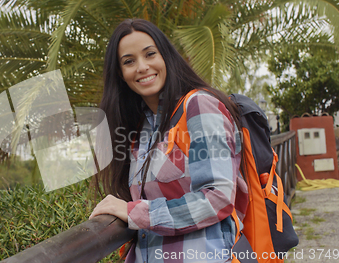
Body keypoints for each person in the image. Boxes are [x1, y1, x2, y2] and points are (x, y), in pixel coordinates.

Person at [89, 19, 248, 263]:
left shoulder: (199, 106)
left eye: (150, 54)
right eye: (129, 61)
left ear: (166, 57)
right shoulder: (140, 129)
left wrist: (134, 212)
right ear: (120, 74)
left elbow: (217, 198)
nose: (142, 67)